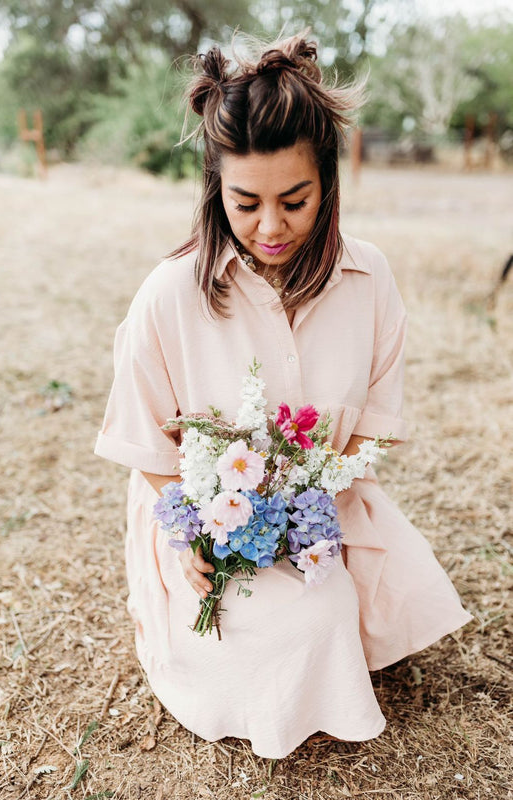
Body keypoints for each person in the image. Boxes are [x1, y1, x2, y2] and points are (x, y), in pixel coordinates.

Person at [94, 34, 472, 759]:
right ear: (215, 191)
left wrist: (308, 504)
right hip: (202, 521)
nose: (271, 227)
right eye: (246, 203)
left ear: (327, 183)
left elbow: (372, 430)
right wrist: (200, 538)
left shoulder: (371, 279)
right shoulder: (167, 295)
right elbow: (146, 446)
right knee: (302, 625)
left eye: (294, 200)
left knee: (363, 608)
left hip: (322, 510)